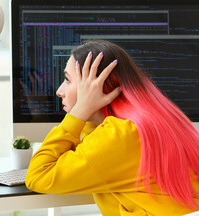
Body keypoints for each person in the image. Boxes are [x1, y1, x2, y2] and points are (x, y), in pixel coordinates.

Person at [25, 40, 199, 215]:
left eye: (67, 80)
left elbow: (38, 176)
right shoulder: (143, 122)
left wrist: (80, 111)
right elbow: (84, 149)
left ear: (96, 87)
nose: (59, 91)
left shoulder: (117, 136)